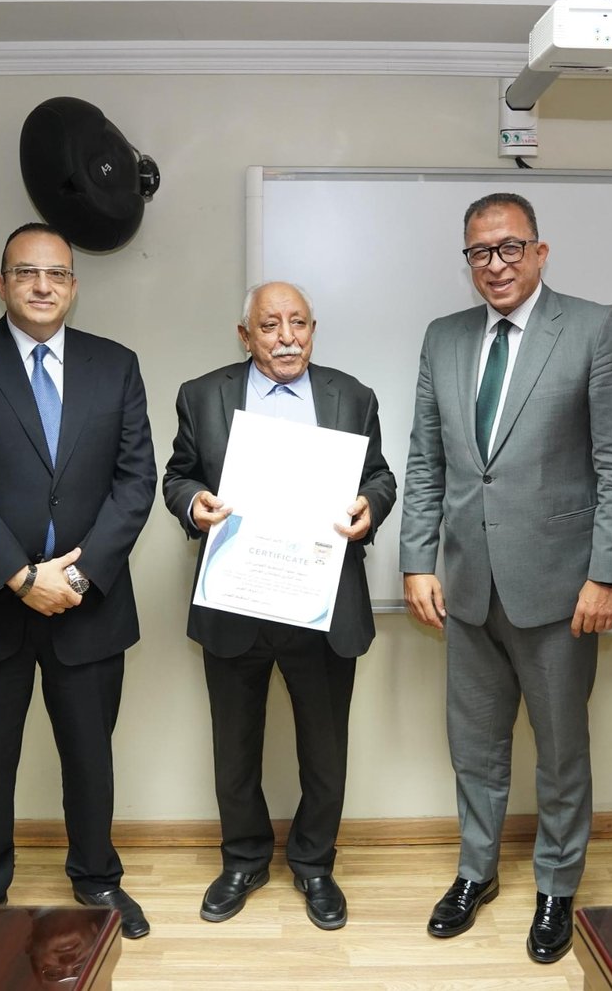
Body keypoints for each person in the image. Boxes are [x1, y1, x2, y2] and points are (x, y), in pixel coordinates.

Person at [400, 192, 612, 963]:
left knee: (561, 752)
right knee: (473, 748)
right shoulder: (443, 339)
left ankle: (556, 887)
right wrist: (416, 559)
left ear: (540, 251)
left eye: (510, 248)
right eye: (480, 252)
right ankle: (476, 872)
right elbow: (426, 460)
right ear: (467, 261)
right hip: (466, 587)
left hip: (560, 590)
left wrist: (606, 575)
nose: (496, 264)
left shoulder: (594, 329)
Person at [0, 222, 156, 935]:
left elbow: (135, 482)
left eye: (57, 274)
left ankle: (98, 880)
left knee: (90, 755)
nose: (43, 285)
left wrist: (76, 578)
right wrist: (21, 578)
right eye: (26, 272)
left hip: (87, 602)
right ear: (1, 284)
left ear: (74, 287)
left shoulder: (116, 365)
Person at [162, 282, 396, 931]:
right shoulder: (202, 395)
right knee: (234, 747)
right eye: (270, 325)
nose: (287, 337)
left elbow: (379, 476)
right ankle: (243, 860)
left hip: (323, 603)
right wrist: (193, 504)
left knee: (324, 750)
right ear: (246, 336)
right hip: (236, 599)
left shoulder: (353, 396)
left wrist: (370, 507)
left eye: (299, 323)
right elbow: (178, 476)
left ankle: (315, 864)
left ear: (314, 329)